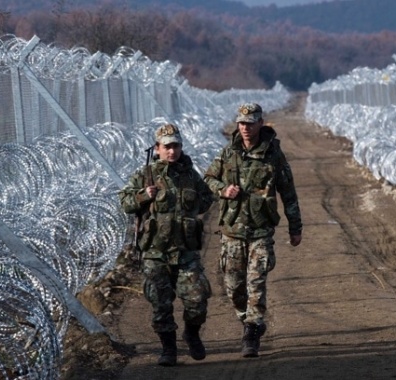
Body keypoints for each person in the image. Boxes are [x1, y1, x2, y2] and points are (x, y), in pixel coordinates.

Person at [203, 102, 303, 358]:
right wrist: (223, 190)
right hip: (232, 231)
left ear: (260, 123)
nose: (245, 127)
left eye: (250, 123)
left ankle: (251, 331)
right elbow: (209, 179)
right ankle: (248, 319)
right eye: (241, 123)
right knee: (234, 288)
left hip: (261, 231)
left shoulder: (273, 155)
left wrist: (295, 227)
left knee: (256, 283)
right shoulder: (229, 152)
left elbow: (288, 193)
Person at [118, 123, 214, 367]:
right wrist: (143, 195)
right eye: (167, 146)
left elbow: (206, 198)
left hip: (186, 251)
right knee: (161, 304)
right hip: (155, 253)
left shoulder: (190, 174)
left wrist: (190, 213)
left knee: (197, 298)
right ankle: (168, 349)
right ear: (158, 149)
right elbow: (125, 202)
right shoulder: (145, 175)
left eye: (176, 146)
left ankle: (192, 333)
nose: (172, 151)